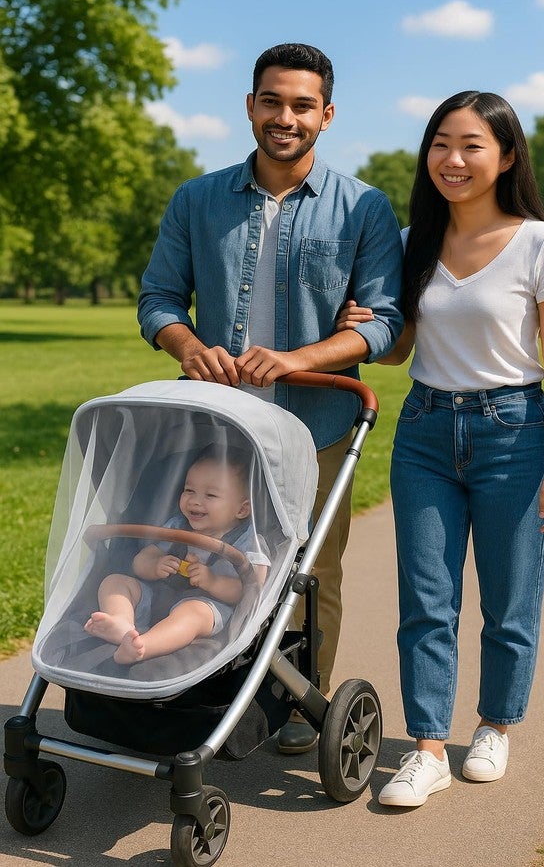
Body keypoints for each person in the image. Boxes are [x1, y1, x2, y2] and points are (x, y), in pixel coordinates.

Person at [137, 43, 403, 750]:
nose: (286, 117)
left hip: (317, 426)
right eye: (273, 101)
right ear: (251, 105)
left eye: (302, 105)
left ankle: (298, 701)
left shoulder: (364, 209)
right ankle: (201, 684)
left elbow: (384, 320)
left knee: (311, 572)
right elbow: (159, 298)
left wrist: (298, 359)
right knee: (204, 553)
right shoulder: (195, 200)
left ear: (327, 115)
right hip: (218, 430)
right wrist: (189, 348)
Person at [337, 91, 544, 806]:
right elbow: (406, 346)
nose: (453, 158)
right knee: (426, 599)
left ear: (506, 156)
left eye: (472, 144)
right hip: (424, 435)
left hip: (516, 433)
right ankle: (427, 748)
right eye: (441, 143)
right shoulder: (415, 239)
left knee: (509, 601)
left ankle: (495, 726)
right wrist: (368, 329)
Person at [84, 451, 270, 664]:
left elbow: (251, 589)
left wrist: (213, 581)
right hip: (157, 596)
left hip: (208, 606)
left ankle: (144, 646)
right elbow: (141, 559)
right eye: (189, 490)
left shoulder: (249, 542)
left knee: (193, 613)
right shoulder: (177, 525)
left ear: (242, 509)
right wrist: (154, 565)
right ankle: (122, 624)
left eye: (210, 495)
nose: (195, 501)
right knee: (114, 581)